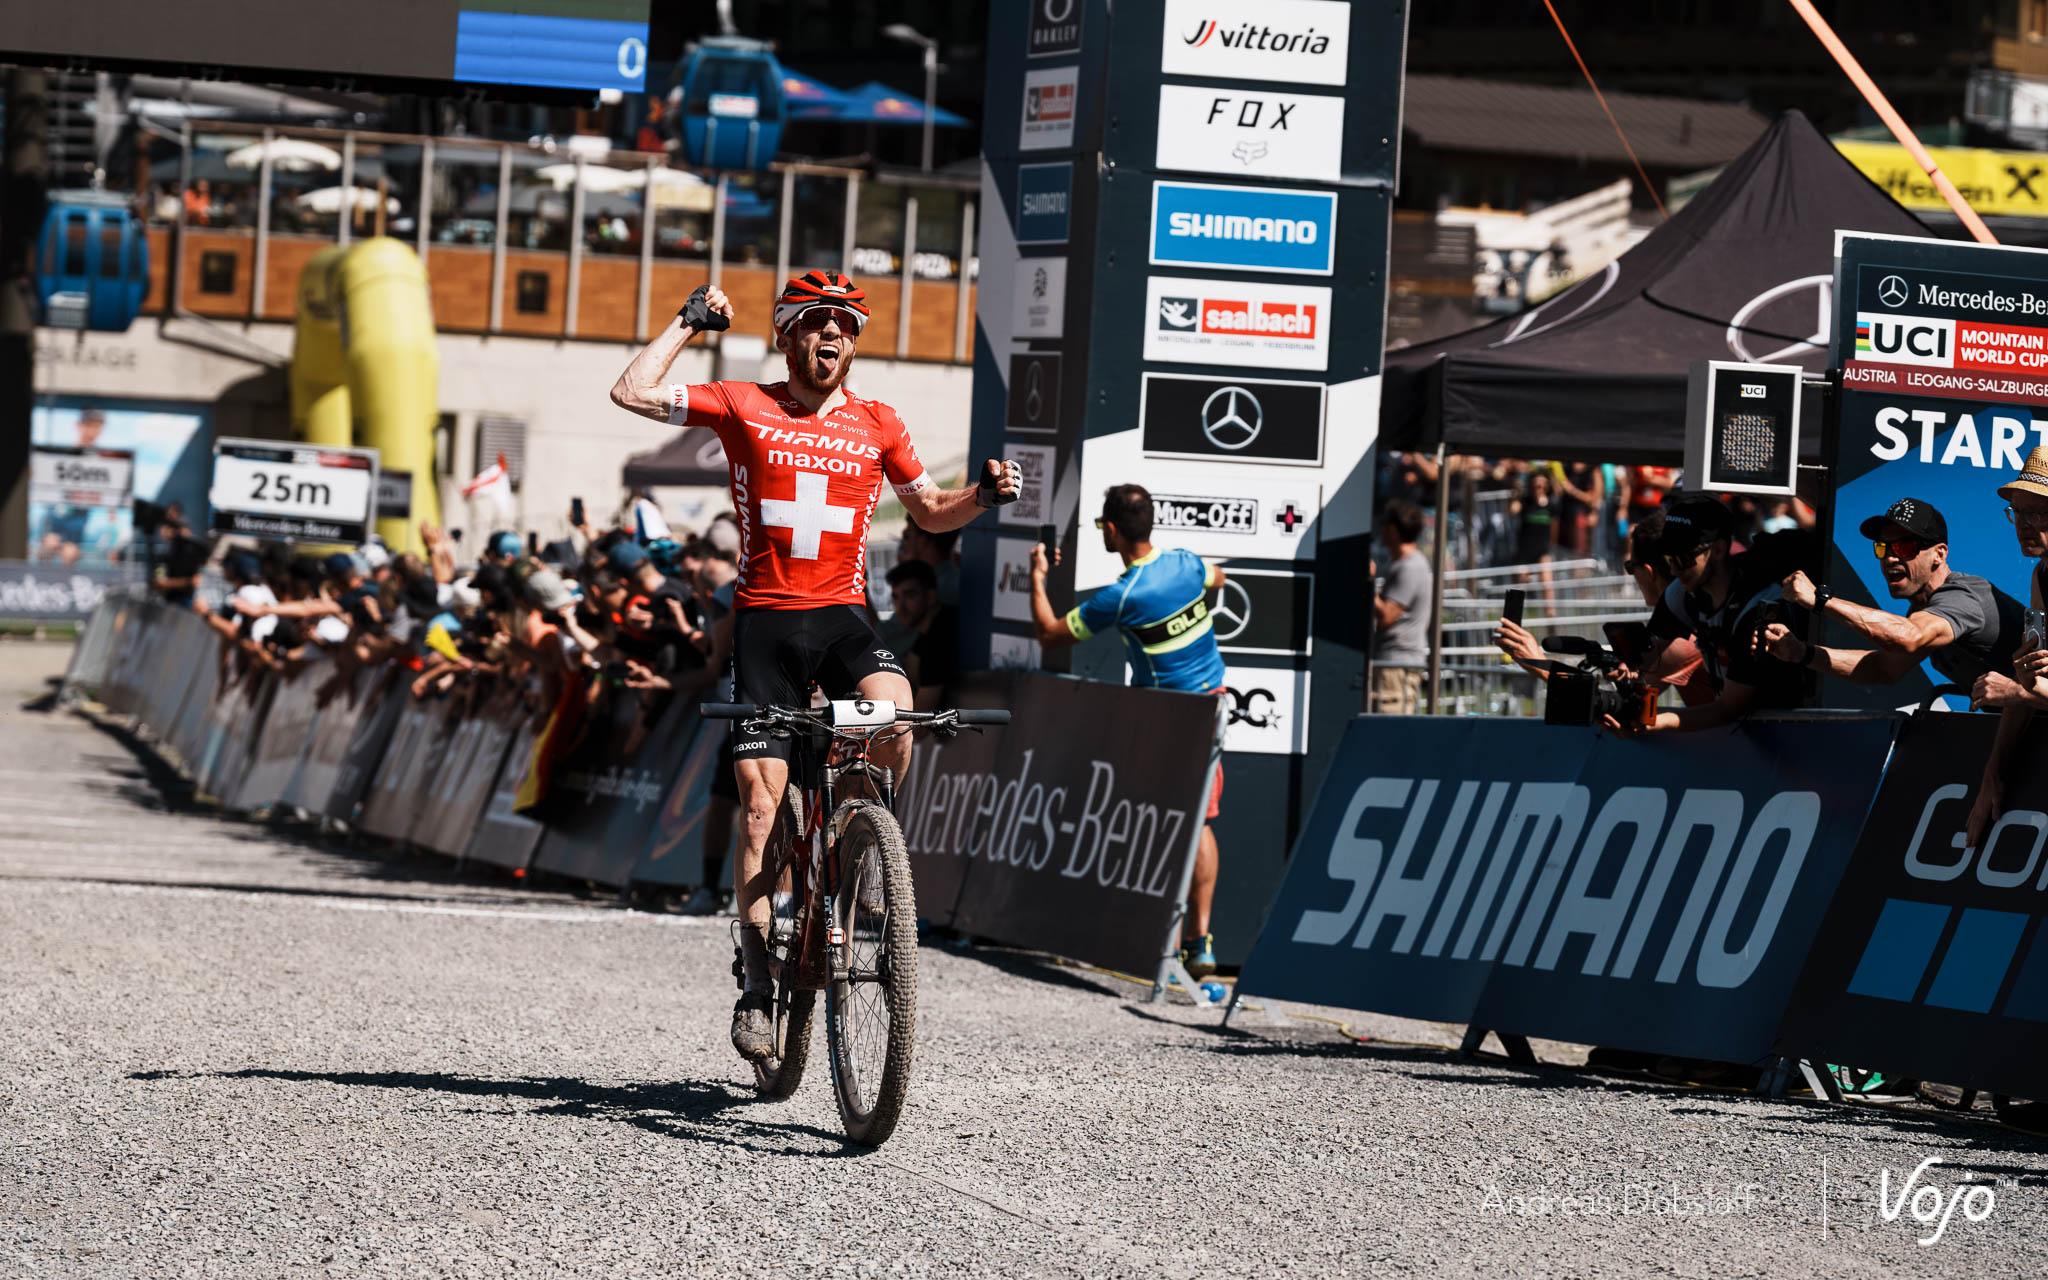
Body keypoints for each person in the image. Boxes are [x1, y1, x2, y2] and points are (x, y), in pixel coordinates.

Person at [608, 271, 1020, 1061]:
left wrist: (984, 495)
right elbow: (630, 390)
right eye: (818, 322)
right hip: (765, 621)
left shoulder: (878, 420)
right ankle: (758, 978)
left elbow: (932, 510)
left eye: (848, 326)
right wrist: (689, 324)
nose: (835, 335)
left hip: (841, 617)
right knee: (761, 811)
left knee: (894, 712)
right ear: (788, 334)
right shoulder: (742, 404)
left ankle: (865, 847)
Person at [1025, 484, 1227, 978]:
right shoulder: (1187, 563)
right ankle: (1200, 942)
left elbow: (1050, 633)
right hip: (1214, 706)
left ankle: (1158, 942)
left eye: (1101, 528)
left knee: (1160, 820)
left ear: (1112, 530)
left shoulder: (1123, 595)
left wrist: (1036, 578)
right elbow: (1218, 579)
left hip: (1171, 718)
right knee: (1200, 821)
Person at [1761, 498, 2022, 690]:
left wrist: (1821, 600)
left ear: (1939, 554)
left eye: (1904, 546)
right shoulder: (1925, 611)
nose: (1890, 558)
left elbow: (1908, 636)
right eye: (1883, 548)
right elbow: (1884, 669)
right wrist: (1802, 653)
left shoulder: (1961, 597)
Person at [1494, 509, 1715, 707]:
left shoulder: (1681, 642)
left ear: (1649, 572)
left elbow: (1620, 708)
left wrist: (1538, 663)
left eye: (1630, 567)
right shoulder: (1687, 622)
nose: (1631, 574)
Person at [1627, 494, 1807, 735]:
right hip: (1740, 734)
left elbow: (1728, 709)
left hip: (1789, 735)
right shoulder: (1684, 591)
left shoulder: (1760, 608)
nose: (1673, 570)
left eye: (1682, 559)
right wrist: (1624, 665)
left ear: (1719, 549)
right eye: (1669, 559)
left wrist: (1656, 722)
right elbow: (1649, 656)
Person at [1968, 447, 2048, 847]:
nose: (2023, 525)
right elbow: (2034, 678)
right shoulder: (2042, 574)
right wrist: (1993, 771)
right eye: (2018, 513)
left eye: (2038, 514)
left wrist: (2017, 691)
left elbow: (2025, 688)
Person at [1369, 499, 1432, 714]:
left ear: (1394, 530)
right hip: (1393, 663)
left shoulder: (1410, 567)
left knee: (1387, 734)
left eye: (1385, 525)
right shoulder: (1404, 564)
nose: (1382, 531)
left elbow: (1387, 616)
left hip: (1396, 666)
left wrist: (1369, 582)